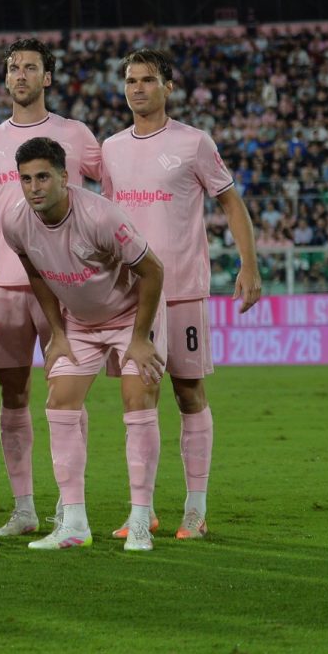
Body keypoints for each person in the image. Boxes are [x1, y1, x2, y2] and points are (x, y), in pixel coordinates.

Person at [0, 38, 102, 537]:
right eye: (13, 67)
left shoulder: (76, 135)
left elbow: (114, 187)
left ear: (47, 78)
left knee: (67, 393)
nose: (20, 75)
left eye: (30, 67)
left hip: (66, 285)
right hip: (6, 285)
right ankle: (26, 507)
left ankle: (70, 507)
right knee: (12, 396)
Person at [101, 48, 261, 541]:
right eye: (130, 80)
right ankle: (141, 510)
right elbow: (105, 219)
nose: (137, 88)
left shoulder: (193, 143)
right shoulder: (110, 148)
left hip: (184, 290)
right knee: (138, 398)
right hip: (131, 294)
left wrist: (248, 264)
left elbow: (230, 202)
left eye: (147, 79)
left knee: (188, 392)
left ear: (168, 87)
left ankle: (195, 507)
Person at [2, 137, 166, 552]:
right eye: (26, 179)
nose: (34, 186)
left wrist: (141, 338)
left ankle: (141, 519)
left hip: (130, 319)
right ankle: (74, 523)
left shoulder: (100, 216)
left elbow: (153, 271)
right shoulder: (15, 221)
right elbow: (36, 274)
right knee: (59, 403)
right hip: (79, 324)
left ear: (64, 176)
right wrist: (56, 332)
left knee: (137, 400)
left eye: (43, 176)